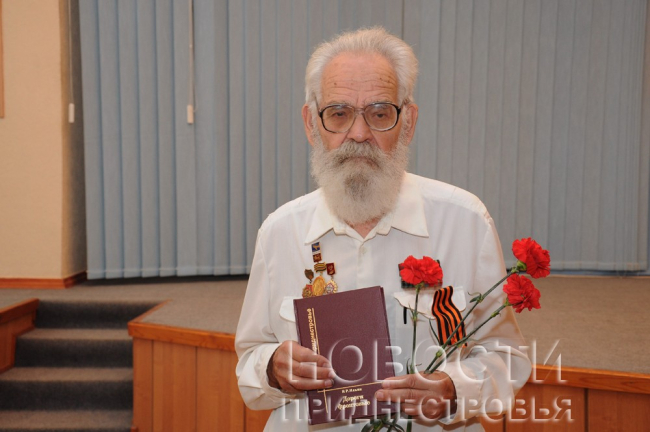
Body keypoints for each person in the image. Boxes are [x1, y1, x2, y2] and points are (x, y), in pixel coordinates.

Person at [235, 27, 531, 431]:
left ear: (407, 123)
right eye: (338, 113)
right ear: (311, 124)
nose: (359, 134)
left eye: (379, 114)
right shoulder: (279, 232)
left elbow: (507, 356)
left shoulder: (464, 221)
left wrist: (454, 390)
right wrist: (272, 368)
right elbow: (250, 362)